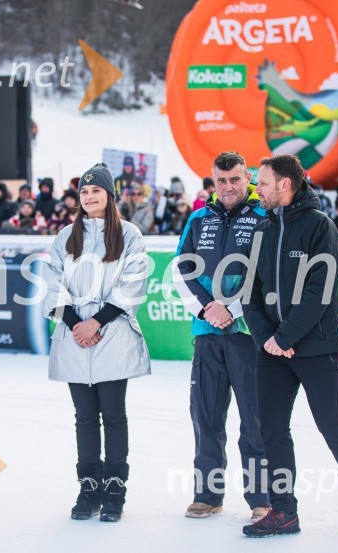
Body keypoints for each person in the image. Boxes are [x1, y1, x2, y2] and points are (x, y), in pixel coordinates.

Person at [242, 154, 338, 538]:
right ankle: (284, 511)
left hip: (317, 347)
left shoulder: (320, 226)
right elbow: (249, 293)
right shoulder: (262, 229)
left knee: (332, 425)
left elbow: (321, 290)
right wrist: (267, 339)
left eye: (263, 183)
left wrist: (284, 337)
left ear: (285, 184)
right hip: (272, 350)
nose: (257, 189)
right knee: (271, 429)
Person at [42, 162, 151, 522]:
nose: (89, 197)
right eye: (84, 192)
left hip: (111, 336)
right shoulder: (65, 236)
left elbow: (133, 282)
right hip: (75, 338)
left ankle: (115, 489)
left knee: (114, 415)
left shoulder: (129, 234)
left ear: (109, 195)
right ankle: (88, 488)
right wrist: (77, 324)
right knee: (85, 417)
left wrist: (96, 322)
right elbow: (52, 282)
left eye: (96, 191)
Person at [173, 151, 271, 522]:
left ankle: (262, 498)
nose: (228, 186)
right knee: (206, 415)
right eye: (221, 180)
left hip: (249, 333)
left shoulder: (264, 217)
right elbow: (181, 268)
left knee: (256, 417)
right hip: (207, 332)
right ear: (213, 181)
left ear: (247, 178)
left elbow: (268, 274)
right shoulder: (199, 218)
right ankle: (207, 495)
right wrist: (208, 309)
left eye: (235, 179)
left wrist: (233, 309)